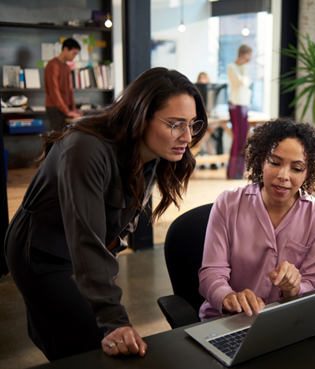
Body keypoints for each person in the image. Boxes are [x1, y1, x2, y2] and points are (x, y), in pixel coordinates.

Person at [4, 67, 207, 361]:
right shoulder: (85, 147)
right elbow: (86, 237)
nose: (187, 136)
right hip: (42, 251)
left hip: (80, 248)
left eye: (192, 124)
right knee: (90, 345)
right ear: (141, 116)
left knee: (84, 338)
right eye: (176, 124)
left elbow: (118, 223)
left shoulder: (154, 152)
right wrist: (114, 319)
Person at [198, 118, 315, 320]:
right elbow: (211, 273)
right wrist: (228, 297)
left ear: (308, 172)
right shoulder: (228, 203)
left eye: (296, 168)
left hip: (281, 322)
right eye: (275, 162)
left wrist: (293, 288)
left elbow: (311, 283)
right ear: (262, 160)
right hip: (228, 319)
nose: (283, 175)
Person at [44, 38, 83, 131]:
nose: (74, 56)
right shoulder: (53, 65)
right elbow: (54, 91)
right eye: (73, 53)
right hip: (55, 107)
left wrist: (73, 108)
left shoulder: (67, 67)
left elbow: (70, 89)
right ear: (65, 49)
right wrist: (67, 111)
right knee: (57, 138)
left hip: (65, 107)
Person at [226, 44, 252, 179]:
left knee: (243, 140)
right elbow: (242, 82)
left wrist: (244, 66)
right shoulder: (232, 67)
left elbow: (246, 82)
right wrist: (242, 66)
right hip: (236, 105)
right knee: (238, 140)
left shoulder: (243, 68)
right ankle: (233, 172)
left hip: (244, 105)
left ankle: (238, 172)